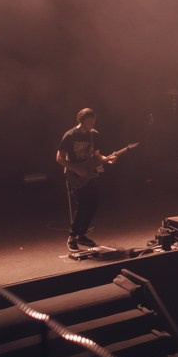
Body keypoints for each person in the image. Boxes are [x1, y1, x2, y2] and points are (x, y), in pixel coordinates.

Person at [56, 107, 114, 251]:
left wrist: (107, 159)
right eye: (89, 122)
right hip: (75, 175)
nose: (92, 125)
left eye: (94, 121)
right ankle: (72, 237)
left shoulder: (94, 135)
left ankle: (81, 235)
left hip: (90, 173)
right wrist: (77, 169)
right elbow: (59, 158)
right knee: (82, 205)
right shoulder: (70, 135)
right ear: (81, 121)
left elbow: (97, 155)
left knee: (93, 205)